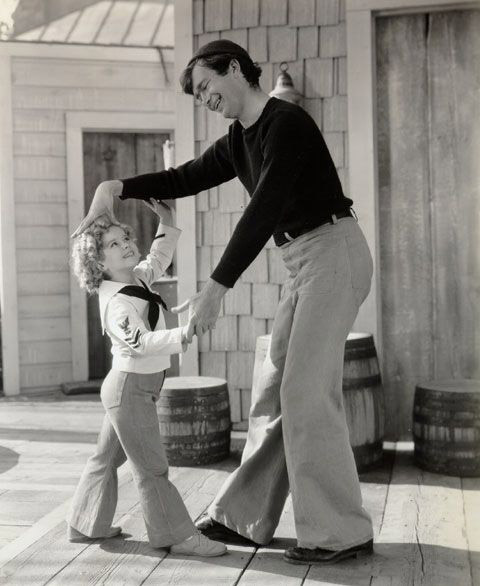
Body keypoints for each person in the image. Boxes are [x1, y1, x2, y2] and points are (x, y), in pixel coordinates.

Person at [72, 39, 374, 565]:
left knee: (305, 390)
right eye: (199, 96)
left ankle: (339, 532)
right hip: (302, 261)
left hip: (334, 251)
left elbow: (264, 210)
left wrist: (216, 286)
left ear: (235, 68)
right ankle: (243, 516)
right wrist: (115, 185)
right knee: (275, 384)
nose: (205, 99)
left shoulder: (287, 124)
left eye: (208, 86)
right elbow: (182, 178)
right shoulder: (239, 140)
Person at [67, 198, 226, 557]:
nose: (124, 245)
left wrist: (167, 222)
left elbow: (158, 258)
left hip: (133, 388)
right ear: (97, 262)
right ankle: (176, 535)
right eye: (113, 245)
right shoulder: (117, 303)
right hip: (130, 390)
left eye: (124, 238)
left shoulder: (136, 277)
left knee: (106, 459)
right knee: (151, 466)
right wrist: (184, 333)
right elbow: (139, 343)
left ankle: (84, 523)